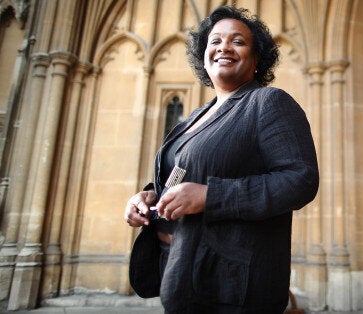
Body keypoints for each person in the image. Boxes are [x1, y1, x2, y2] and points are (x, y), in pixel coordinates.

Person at [123, 6, 319, 313]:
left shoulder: (268, 102)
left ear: (257, 59)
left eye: (238, 41)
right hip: (181, 272)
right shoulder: (195, 117)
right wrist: (150, 197)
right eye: (215, 41)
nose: (223, 47)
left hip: (232, 288)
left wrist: (211, 196)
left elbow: (300, 180)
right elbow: (186, 174)